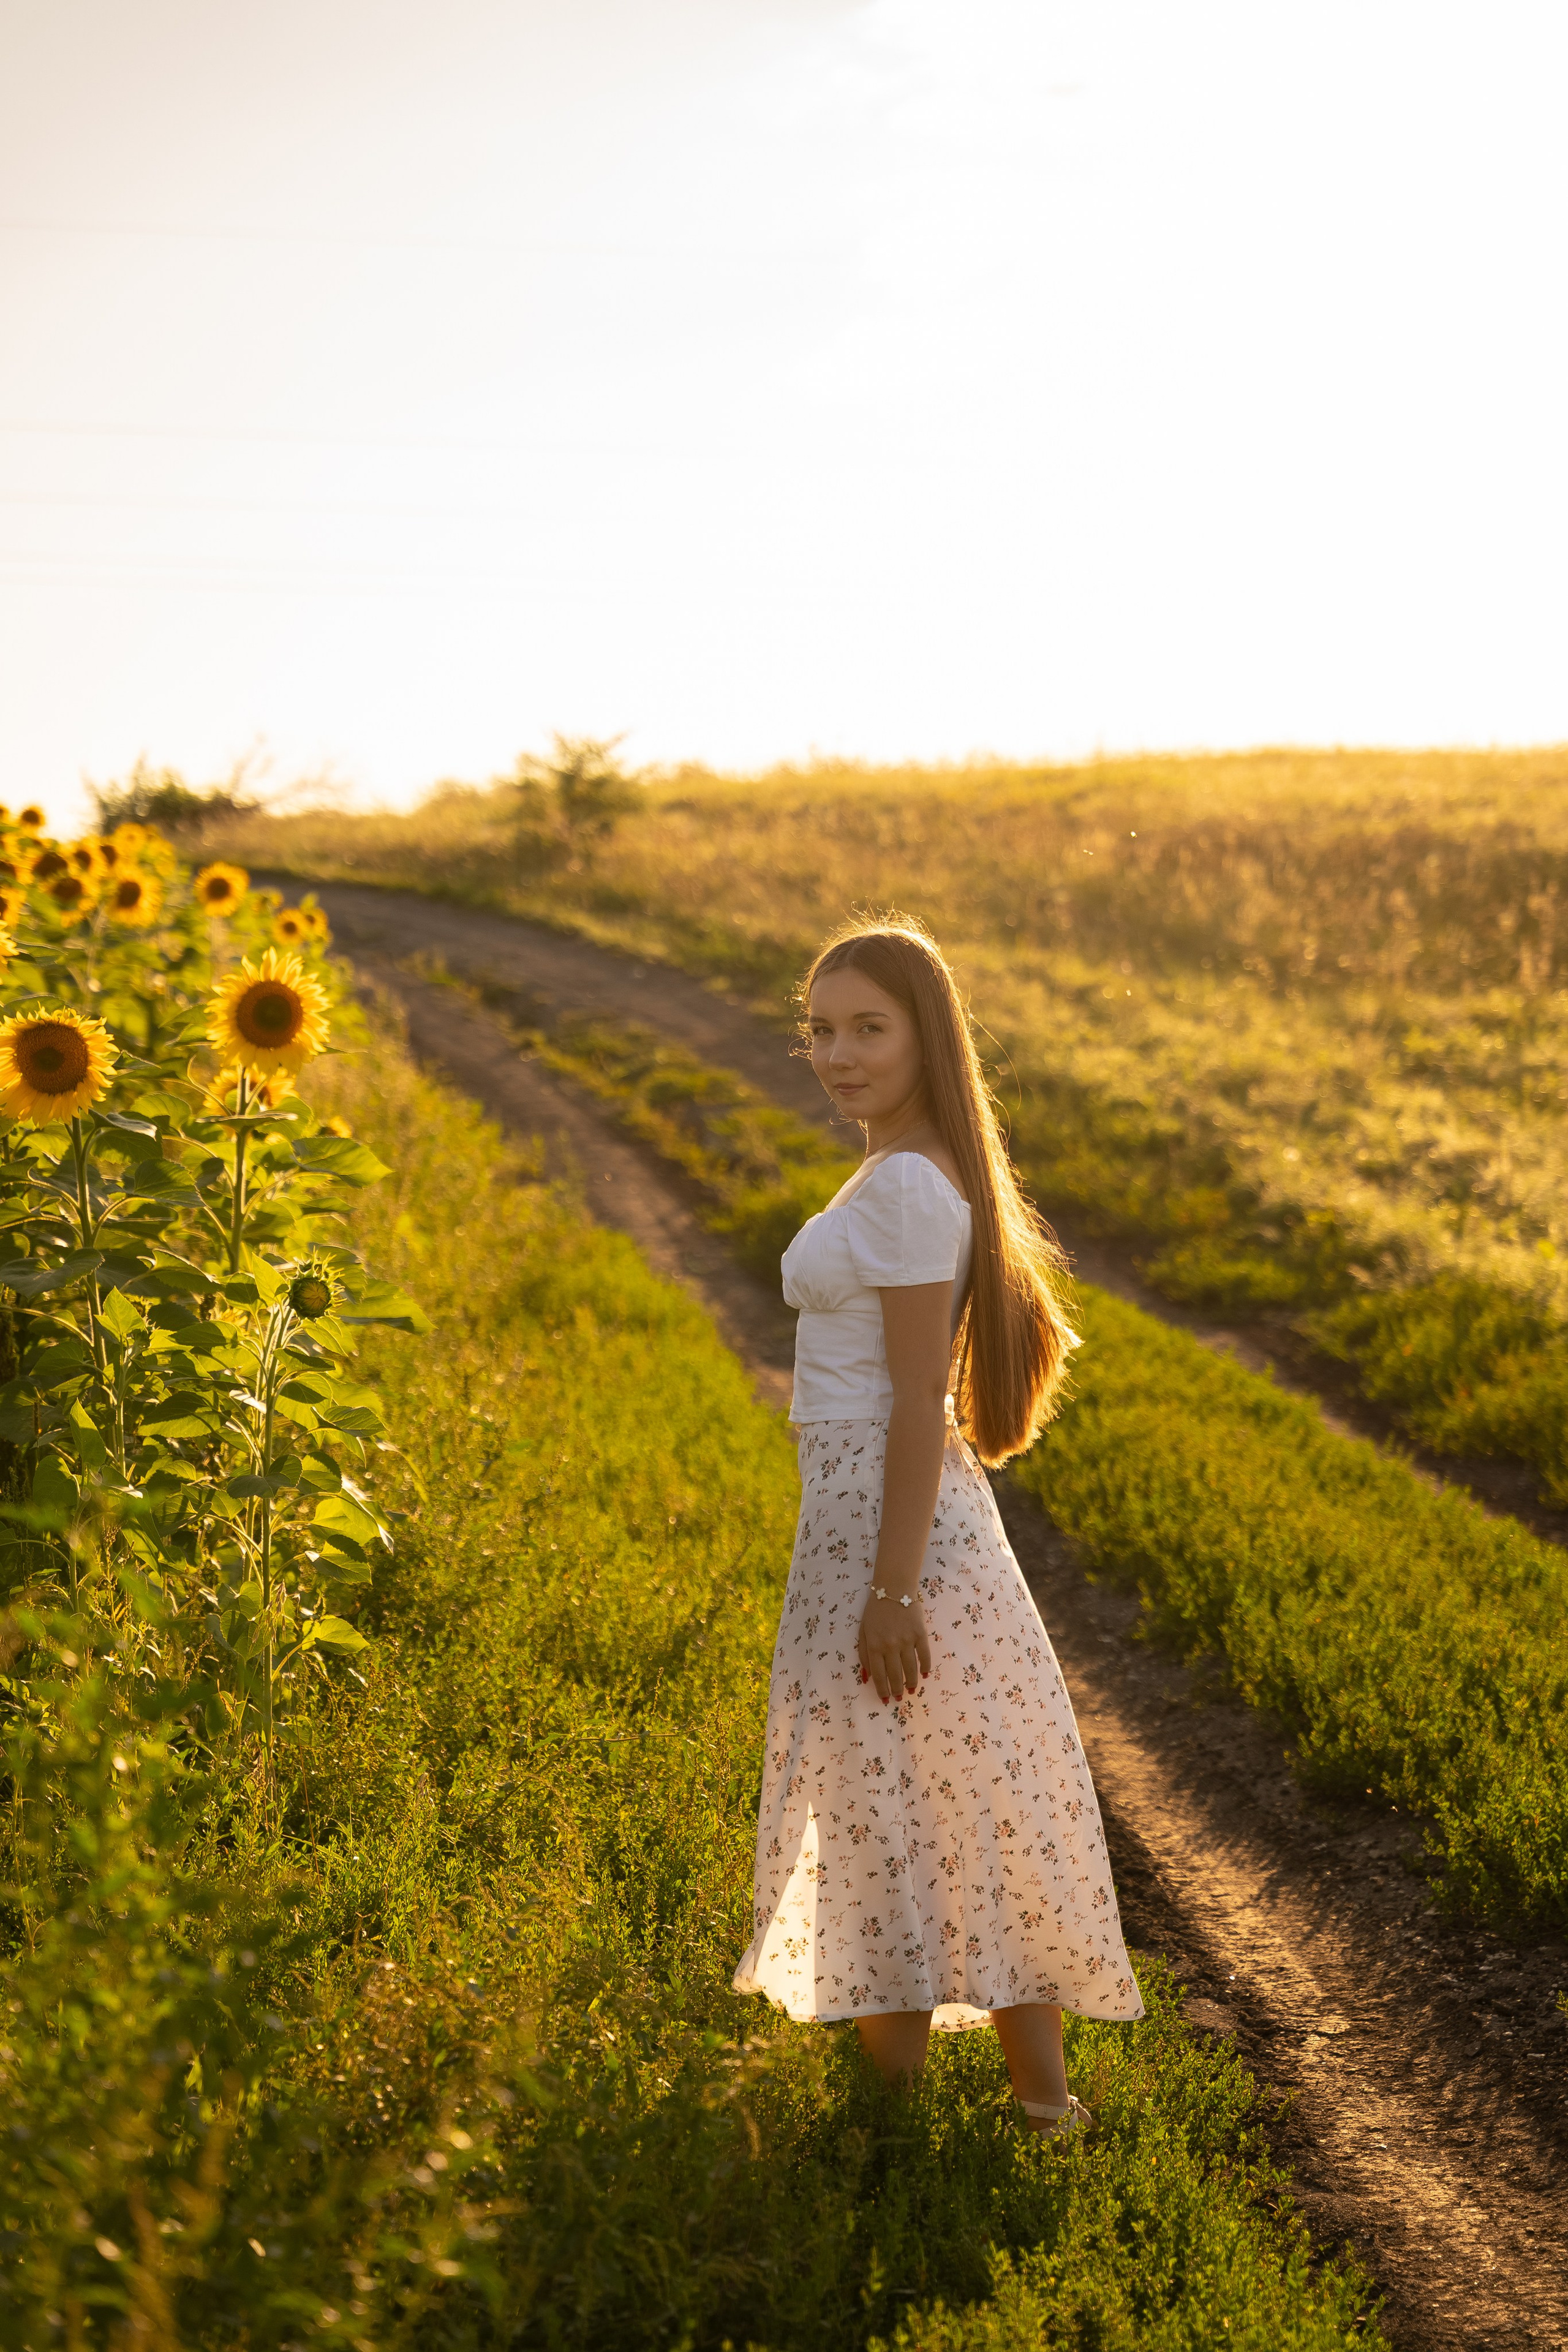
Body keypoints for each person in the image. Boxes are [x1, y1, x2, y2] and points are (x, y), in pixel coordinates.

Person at [732, 919, 1143, 2138]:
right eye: (820, 1029)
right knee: (930, 1798)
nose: (838, 1053)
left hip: (893, 1534)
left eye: (869, 1027)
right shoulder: (896, 1167)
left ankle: (912, 2122)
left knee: (895, 1801)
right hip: (873, 1520)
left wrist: (893, 1587)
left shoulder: (909, 1183)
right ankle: (1028, 2106)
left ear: (926, 1036)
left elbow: (921, 1397)